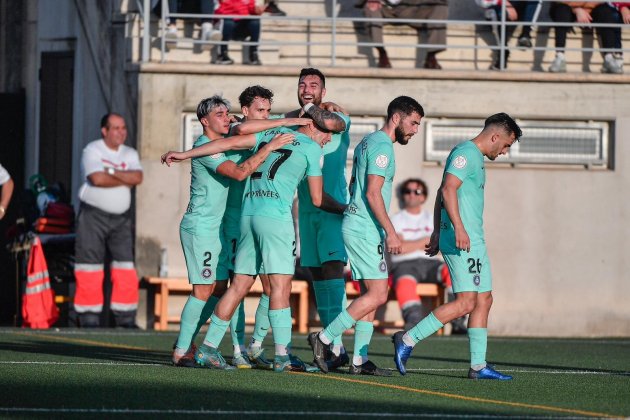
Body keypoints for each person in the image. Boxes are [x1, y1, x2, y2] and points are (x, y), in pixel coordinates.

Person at [167, 117, 346, 372]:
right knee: (281, 287)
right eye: (327, 132)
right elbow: (316, 199)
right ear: (313, 126)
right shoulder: (312, 148)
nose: (329, 139)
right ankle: (283, 357)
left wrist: (185, 154)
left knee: (239, 284)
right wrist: (345, 209)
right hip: (275, 220)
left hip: (247, 217)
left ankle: (208, 348)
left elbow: (223, 143)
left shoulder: (269, 135)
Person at [162, 95, 307, 367]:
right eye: (219, 114)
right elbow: (240, 173)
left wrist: (302, 114)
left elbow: (259, 127)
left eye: (227, 113)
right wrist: (270, 146)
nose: (226, 118)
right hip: (202, 227)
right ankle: (182, 350)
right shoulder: (207, 146)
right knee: (204, 290)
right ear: (204, 121)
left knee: (220, 289)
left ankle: (218, 345)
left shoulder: (233, 140)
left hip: (225, 229)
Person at [392, 112, 522, 380]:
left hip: (475, 239)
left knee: (484, 299)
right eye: (507, 144)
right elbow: (448, 189)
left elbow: (441, 192)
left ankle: (478, 366)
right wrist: (457, 229)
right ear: (495, 136)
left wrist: (436, 231)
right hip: (463, 240)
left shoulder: (475, 158)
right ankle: (408, 338)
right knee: (465, 303)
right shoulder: (465, 153)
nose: (505, 151)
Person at [308, 96, 424, 376]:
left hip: (359, 224)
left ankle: (359, 359)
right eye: (413, 123)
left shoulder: (368, 141)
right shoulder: (383, 146)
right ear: (396, 118)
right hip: (364, 227)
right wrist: (392, 232)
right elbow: (373, 192)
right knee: (378, 293)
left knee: (369, 294)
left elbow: (360, 187)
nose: (415, 129)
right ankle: (323, 339)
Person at [284, 68, 352, 371]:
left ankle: (336, 343)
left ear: (323, 92)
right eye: (302, 84)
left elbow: (328, 122)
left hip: (333, 207)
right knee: (315, 273)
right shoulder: (294, 122)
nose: (307, 88)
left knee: (333, 270)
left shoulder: (338, 118)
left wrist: (312, 108)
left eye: (313, 85)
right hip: (307, 210)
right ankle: (332, 347)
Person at [73, 113, 143, 328]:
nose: (121, 132)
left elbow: (137, 178)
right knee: (89, 266)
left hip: (121, 219)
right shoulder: (92, 150)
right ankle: (89, 317)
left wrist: (110, 170)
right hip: (93, 215)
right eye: (115, 128)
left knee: (125, 266)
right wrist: (123, 175)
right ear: (104, 131)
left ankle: (126, 318)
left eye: (123, 128)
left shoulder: (130, 153)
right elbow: (96, 178)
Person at [390, 177, 466, 333]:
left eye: (417, 191)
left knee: (452, 272)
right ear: (403, 195)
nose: (412, 195)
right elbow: (399, 249)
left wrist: (410, 243)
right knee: (405, 282)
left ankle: (457, 320)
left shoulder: (432, 219)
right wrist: (425, 240)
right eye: (407, 191)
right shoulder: (396, 220)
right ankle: (413, 324)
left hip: (430, 263)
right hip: (404, 265)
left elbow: (438, 247)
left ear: (423, 196)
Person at [356, 0, 448, 69]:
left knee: (440, 7)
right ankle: (382, 53)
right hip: (385, 8)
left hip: (411, 8)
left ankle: (431, 56)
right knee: (370, 8)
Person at [548, 2, 623, 74]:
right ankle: (560, 57)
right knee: (561, 10)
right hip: (567, 7)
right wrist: (577, 10)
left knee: (605, 11)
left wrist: (585, 10)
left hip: (591, 8)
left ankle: (609, 58)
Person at [214, 0, 264, 65]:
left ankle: (254, 54)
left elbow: (251, 9)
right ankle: (222, 55)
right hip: (225, 23)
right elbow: (219, 11)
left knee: (255, 21)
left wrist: (256, 10)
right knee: (227, 21)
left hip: (240, 25)